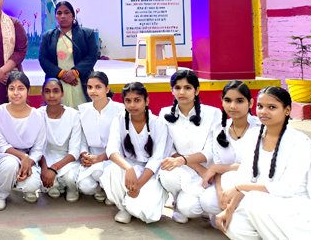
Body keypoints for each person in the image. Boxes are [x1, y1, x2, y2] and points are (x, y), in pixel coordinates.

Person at [216, 87, 311, 240]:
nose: (263, 112)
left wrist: (240, 187)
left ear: (287, 110)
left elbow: (288, 188)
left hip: (294, 206)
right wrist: (229, 209)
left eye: (272, 107)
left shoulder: (300, 142)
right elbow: (245, 175)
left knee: (253, 201)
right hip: (263, 202)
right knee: (234, 227)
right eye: (260, 106)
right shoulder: (253, 136)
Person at [158, 70, 222, 223]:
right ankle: (176, 200)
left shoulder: (213, 113)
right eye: (177, 87)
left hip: (207, 170)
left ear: (197, 90)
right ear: (172, 90)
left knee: (195, 208)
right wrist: (193, 166)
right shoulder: (164, 113)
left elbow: (212, 150)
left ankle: (194, 202)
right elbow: (168, 148)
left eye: (187, 88)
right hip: (181, 168)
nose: (182, 92)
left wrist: (201, 168)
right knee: (168, 176)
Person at [101, 82, 169, 224]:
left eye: (137, 100)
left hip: (150, 172)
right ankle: (123, 207)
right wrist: (128, 168)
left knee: (148, 215)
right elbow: (111, 149)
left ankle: (131, 204)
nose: (132, 105)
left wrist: (138, 185)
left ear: (147, 101)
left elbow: (157, 158)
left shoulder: (159, 124)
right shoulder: (119, 120)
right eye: (128, 101)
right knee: (111, 170)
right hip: (127, 168)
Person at [200, 81, 261, 224]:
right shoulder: (218, 129)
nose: (233, 106)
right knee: (207, 201)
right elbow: (218, 168)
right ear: (222, 102)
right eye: (228, 100)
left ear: (250, 103)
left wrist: (218, 168)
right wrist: (220, 193)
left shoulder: (260, 128)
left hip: (253, 183)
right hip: (226, 183)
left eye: (239, 101)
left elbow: (257, 167)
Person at [0, 71, 46, 210]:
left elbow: (38, 148)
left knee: (32, 185)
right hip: (6, 156)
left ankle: (25, 187)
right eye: (12, 88)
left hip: (29, 158)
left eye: (21, 88)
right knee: (10, 165)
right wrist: (22, 157)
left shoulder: (38, 116)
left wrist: (28, 163)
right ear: (7, 91)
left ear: (28, 91)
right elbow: (1, 145)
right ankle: (2, 194)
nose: (16, 93)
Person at [38, 1, 99, 108]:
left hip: (80, 80)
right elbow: (43, 59)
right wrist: (62, 74)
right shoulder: (47, 36)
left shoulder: (87, 34)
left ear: (73, 16)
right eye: (59, 13)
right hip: (58, 81)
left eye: (66, 12)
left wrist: (75, 72)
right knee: (59, 113)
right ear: (56, 16)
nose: (63, 16)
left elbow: (92, 55)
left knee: (83, 112)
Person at [76, 71, 124, 202]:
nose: (93, 91)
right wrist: (84, 155)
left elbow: (121, 141)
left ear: (107, 89)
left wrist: (100, 158)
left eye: (98, 87)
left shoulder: (120, 110)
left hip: (114, 156)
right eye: (89, 87)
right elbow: (82, 138)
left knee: (99, 172)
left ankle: (110, 190)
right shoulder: (82, 110)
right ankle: (101, 188)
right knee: (85, 186)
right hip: (91, 156)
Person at [38, 78, 82, 202]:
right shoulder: (38, 114)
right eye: (47, 91)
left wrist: (54, 168)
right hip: (45, 159)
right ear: (42, 94)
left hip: (67, 159)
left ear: (62, 93)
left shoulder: (74, 115)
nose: (51, 95)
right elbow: (37, 148)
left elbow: (74, 151)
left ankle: (71, 187)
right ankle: (55, 184)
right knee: (40, 181)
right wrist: (45, 168)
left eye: (56, 91)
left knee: (70, 178)